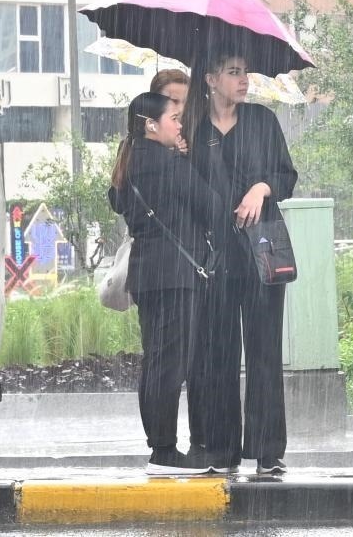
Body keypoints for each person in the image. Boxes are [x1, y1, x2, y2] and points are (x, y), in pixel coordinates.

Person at [184, 54, 297, 475]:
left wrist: (260, 188)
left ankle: (268, 450)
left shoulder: (262, 121)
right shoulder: (194, 130)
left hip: (261, 251)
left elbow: (286, 176)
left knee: (265, 350)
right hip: (214, 256)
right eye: (234, 72)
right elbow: (184, 189)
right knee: (218, 351)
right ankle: (221, 448)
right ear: (211, 79)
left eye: (245, 72)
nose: (244, 79)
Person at [108, 92, 222, 475]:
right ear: (150, 124)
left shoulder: (130, 163)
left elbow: (117, 201)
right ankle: (164, 453)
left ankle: (159, 445)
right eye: (174, 117)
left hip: (147, 275)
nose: (179, 124)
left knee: (155, 361)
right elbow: (212, 207)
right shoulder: (169, 164)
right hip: (175, 275)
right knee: (170, 364)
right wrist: (186, 161)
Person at [150, 69, 190, 154]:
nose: (181, 109)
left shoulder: (196, 132)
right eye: (174, 101)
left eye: (186, 102)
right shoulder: (138, 139)